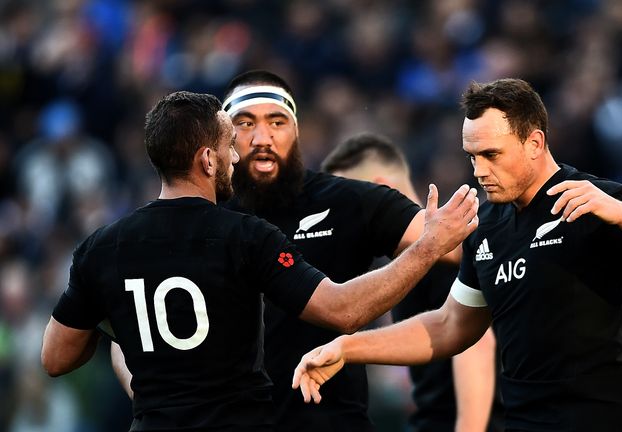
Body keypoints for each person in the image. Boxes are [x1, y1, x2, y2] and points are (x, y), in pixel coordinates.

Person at [40, 91, 480, 431]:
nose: (237, 156)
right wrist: (427, 247)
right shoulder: (245, 235)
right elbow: (344, 309)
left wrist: (126, 342)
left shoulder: (102, 246)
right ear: (207, 159)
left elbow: (56, 357)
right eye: (230, 145)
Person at [292, 78, 622, 432]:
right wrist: (348, 347)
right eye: (471, 156)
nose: (478, 170)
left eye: (491, 155)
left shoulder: (597, 203)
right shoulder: (488, 225)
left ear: (535, 142)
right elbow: (449, 326)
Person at [221, 69, 468, 431]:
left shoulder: (343, 201)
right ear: (224, 136)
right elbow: (124, 329)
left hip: (331, 420)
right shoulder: (203, 214)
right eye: (245, 123)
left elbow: (452, 245)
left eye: (277, 121)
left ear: (297, 131)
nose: (263, 137)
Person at [321, 132, 499, 432]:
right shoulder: (409, 263)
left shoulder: (445, 255)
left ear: (379, 190)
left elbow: (476, 346)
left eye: (344, 205)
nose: (340, 221)